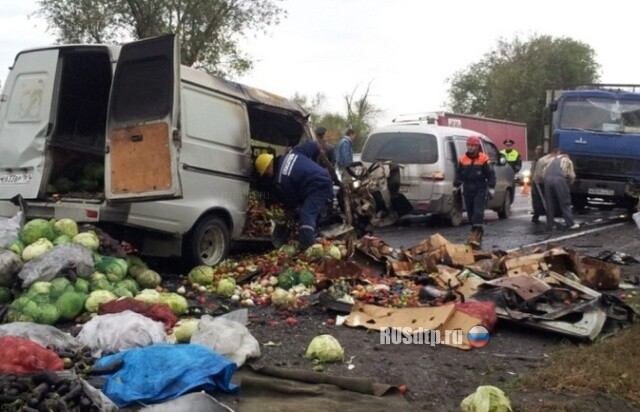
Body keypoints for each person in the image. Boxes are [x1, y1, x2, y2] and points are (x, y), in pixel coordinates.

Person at [254, 152, 334, 250]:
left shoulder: (281, 179)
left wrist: (289, 212)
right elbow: (312, 146)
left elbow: (291, 200)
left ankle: (308, 249)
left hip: (318, 185)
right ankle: (313, 237)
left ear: (269, 166)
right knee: (309, 212)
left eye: (266, 172)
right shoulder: (288, 155)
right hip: (320, 177)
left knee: (306, 214)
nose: (268, 175)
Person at [454, 135, 496, 248]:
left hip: (480, 187)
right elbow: (459, 173)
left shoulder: (484, 158)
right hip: (467, 187)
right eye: (469, 145)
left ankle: (477, 232)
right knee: (471, 212)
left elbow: (491, 174)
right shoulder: (463, 159)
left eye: (473, 145)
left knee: (478, 211)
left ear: (477, 147)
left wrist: (491, 187)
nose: (471, 147)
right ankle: (476, 230)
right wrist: (455, 185)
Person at [541, 148, 579, 230]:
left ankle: (550, 224)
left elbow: (543, 173)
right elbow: (571, 175)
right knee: (565, 202)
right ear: (565, 154)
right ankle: (570, 224)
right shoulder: (567, 160)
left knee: (549, 203)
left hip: (547, 180)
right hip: (559, 180)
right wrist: (569, 183)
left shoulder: (550, 160)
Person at [529, 145, 546, 223]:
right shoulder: (535, 159)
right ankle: (536, 215)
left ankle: (537, 214)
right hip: (534, 180)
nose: (537, 151)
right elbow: (532, 169)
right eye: (536, 149)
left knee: (539, 198)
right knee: (535, 199)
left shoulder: (542, 159)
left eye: (539, 149)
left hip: (539, 181)